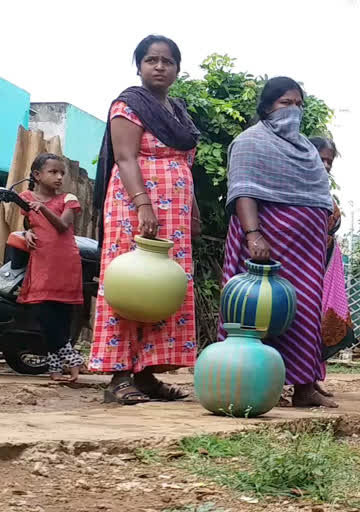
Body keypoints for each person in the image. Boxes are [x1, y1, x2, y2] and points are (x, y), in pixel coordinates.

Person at [91, 35, 201, 405]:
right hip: (135, 210)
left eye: (167, 61)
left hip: (175, 215)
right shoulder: (129, 105)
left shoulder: (179, 111)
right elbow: (125, 158)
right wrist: (143, 205)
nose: (159, 66)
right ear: (138, 66)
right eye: (151, 60)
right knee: (131, 288)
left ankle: (147, 374)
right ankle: (120, 376)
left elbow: (185, 164)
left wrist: (194, 211)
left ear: (177, 69)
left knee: (161, 291)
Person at [220, 76, 337, 408]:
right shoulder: (249, 142)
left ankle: (304, 386)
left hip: (305, 248)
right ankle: (239, 382)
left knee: (304, 309)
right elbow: (243, 189)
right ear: (268, 106)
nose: (293, 111)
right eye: (286, 104)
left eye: (299, 105)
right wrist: (253, 233)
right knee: (251, 309)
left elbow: (319, 195)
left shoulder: (305, 149)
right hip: (265, 239)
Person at [16, 153, 84, 382]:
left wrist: (43, 209)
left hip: (65, 261)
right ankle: (73, 359)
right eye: (53, 172)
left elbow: (64, 226)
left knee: (62, 314)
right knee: (41, 311)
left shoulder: (68, 198)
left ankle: (57, 369)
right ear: (37, 175)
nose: (59, 177)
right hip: (42, 261)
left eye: (62, 173)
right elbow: (29, 222)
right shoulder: (25, 198)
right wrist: (26, 232)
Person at [309, 137, 354, 398]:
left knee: (323, 321)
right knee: (302, 320)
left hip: (326, 262)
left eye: (329, 161)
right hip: (304, 263)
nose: (325, 165)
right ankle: (290, 379)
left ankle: (312, 377)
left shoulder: (324, 190)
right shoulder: (298, 185)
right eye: (321, 158)